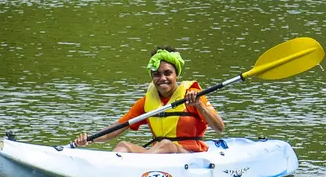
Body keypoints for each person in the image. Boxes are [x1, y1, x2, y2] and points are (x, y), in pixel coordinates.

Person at [73, 48, 224, 154]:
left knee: (166, 145)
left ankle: (137, 168)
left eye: (167, 73)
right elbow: (116, 128)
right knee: (123, 145)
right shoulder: (146, 103)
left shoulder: (193, 95)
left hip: (190, 155)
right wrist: (90, 139)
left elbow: (219, 128)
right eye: (156, 75)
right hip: (157, 155)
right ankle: (112, 171)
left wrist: (199, 105)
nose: (162, 78)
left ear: (176, 75)